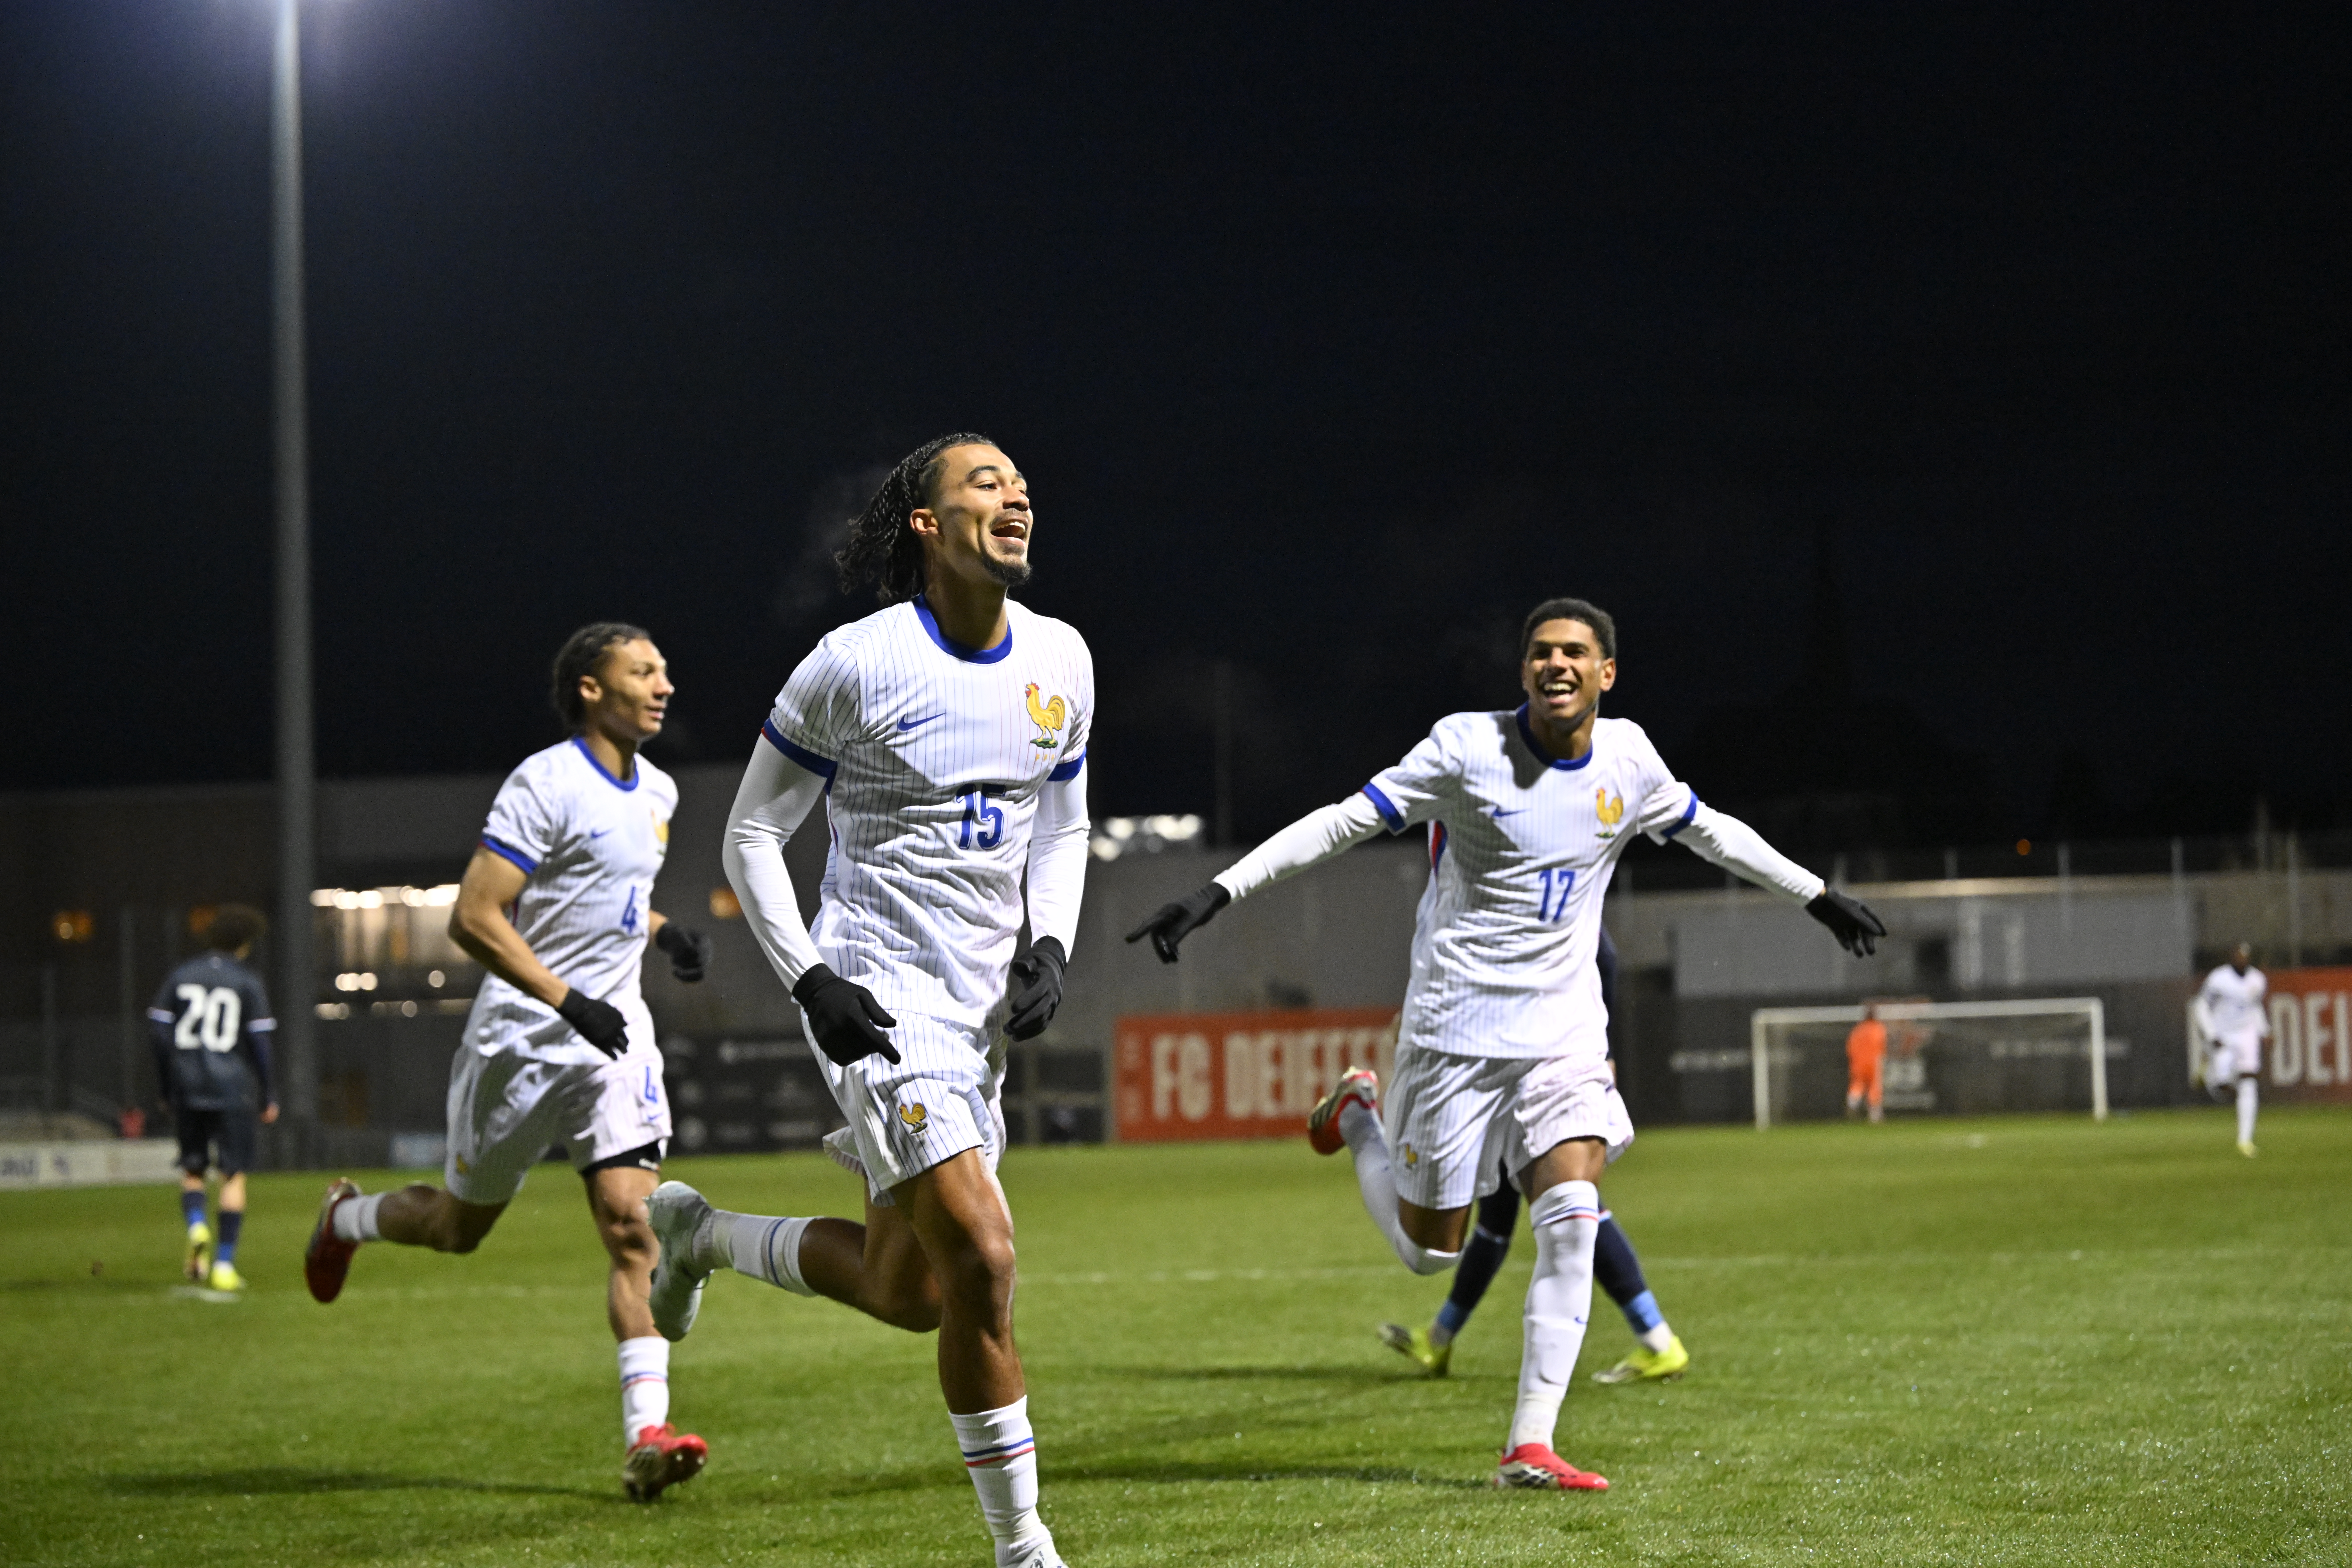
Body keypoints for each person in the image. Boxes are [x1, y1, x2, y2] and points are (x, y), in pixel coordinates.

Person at [1127, 596, 1884, 1492]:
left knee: (1571, 1216)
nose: (1555, 664)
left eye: (1574, 652)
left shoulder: (1631, 759)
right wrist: (1217, 892)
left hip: (1563, 1033)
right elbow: (1340, 821)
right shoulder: (1464, 749)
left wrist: (1815, 895)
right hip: (1455, 1032)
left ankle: (1531, 1444)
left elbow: (1712, 830)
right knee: (1429, 1253)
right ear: (1524, 670)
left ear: (1606, 673)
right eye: (1541, 652)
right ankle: (1361, 1114)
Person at [643, 436, 1091, 1568]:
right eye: (984, 481)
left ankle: (702, 1235)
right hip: (877, 996)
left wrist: (1052, 943)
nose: (1015, 493)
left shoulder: (1063, 658)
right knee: (985, 1257)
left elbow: (1064, 822)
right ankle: (1024, 1548)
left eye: (1020, 482)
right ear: (927, 525)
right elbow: (752, 832)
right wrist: (810, 978)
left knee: (914, 1290)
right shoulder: (854, 663)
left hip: (979, 1013)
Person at [300, 623, 717, 1502]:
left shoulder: (661, 790)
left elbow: (609, 897)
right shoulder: (545, 781)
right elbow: (476, 915)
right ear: (591, 689)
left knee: (633, 1227)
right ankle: (346, 1218)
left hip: (614, 1042)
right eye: (643, 670)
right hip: (523, 1042)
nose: (664, 684)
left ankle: (647, 1437)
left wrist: (663, 932)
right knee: (458, 1230)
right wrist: (567, 999)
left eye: (665, 670)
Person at [1379, 928, 1690, 1385]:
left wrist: (1601, 1047)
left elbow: (1603, 952)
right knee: (1515, 1219)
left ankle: (1657, 1342)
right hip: (1517, 1066)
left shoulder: (1543, 904)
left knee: (1561, 1212)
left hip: (1532, 1074)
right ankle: (1440, 1339)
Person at [148, 904, 279, 1293]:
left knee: (192, 1170)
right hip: (233, 1088)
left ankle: (196, 1226)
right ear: (244, 943)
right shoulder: (247, 981)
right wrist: (269, 1093)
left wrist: (167, 1085)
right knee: (233, 1176)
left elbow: (158, 1032)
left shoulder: (182, 975)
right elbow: (260, 1042)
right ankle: (223, 1265)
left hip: (187, 1086)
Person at [2197, 942, 2268, 1157]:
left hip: (2247, 1034)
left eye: (2245, 956)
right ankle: (2213, 1077)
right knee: (2222, 1086)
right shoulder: (2218, 979)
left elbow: (2255, 1007)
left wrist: (2265, 1030)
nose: (2241, 959)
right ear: (2232, 957)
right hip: (2224, 1035)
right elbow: (2202, 1006)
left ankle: (2245, 1140)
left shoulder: (2258, 980)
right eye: (2238, 956)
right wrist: (2211, 1034)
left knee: (2249, 1081)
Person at [1845, 1003, 1887, 1123]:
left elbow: (1850, 1047)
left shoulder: (1858, 1029)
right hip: (1874, 1062)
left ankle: (1853, 1103)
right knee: (1875, 1087)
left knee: (1858, 1084)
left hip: (1858, 1063)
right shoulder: (1879, 1028)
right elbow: (1882, 1046)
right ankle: (1875, 1115)